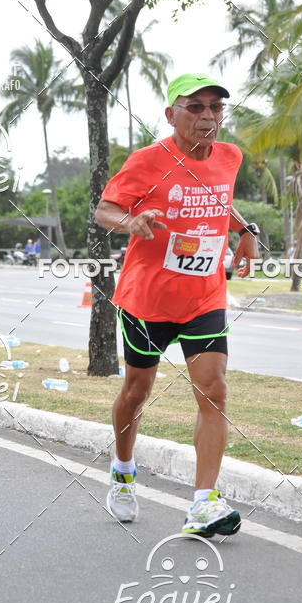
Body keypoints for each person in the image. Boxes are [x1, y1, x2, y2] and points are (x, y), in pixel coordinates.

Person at [95, 72, 260, 538]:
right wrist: (132, 221)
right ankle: (123, 470)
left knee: (215, 389)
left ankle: (204, 503)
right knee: (136, 393)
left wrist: (245, 230)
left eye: (215, 108)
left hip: (204, 296)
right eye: (196, 107)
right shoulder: (148, 161)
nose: (208, 116)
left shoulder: (229, 156)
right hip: (147, 300)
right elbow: (104, 209)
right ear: (171, 115)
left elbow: (218, 199)